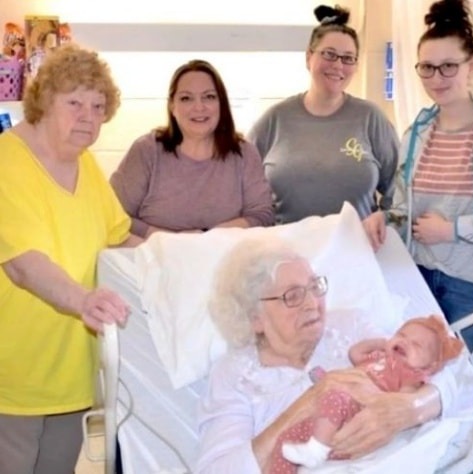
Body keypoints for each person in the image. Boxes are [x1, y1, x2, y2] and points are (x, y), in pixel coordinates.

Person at [196, 238, 460, 474]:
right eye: (293, 296)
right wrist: (309, 402)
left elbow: (443, 372)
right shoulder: (233, 374)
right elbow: (216, 469)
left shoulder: (351, 325)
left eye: (314, 287)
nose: (312, 303)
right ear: (255, 318)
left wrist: (410, 409)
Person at [0, 44, 142, 474]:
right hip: (13, 380)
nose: (89, 116)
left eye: (99, 106)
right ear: (44, 101)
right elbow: (22, 264)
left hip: (73, 379)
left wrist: (180, 256)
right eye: (75, 102)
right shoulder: (8, 161)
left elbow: (119, 239)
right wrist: (84, 301)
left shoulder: (87, 166)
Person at [363, 0, 473, 376]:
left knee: (463, 382)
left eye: (448, 66)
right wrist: (383, 216)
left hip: (471, 283)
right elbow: (404, 206)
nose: (437, 78)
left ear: (472, 66)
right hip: (417, 273)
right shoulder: (417, 131)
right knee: (414, 378)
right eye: (427, 68)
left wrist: (451, 230)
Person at [247, 4, 399, 225]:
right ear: (309, 57)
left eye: (348, 58)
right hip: (287, 253)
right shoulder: (273, 120)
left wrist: (384, 222)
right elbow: (241, 191)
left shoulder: (371, 119)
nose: (338, 65)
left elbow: (400, 191)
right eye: (329, 54)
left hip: (357, 252)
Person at [110, 59, 274, 238]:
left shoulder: (244, 153)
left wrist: (207, 238)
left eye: (209, 97)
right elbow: (113, 213)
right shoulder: (146, 151)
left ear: (222, 104)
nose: (199, 107)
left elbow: (262, 216)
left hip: (228, 261)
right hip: (156, 260)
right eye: (186, 98)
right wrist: (169, 241)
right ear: (172, 106)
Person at [277, 315, 463, 472]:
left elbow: (397, 404)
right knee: (288, 438)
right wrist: (382, 343)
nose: (404, 342)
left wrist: (368, 393)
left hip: (358, 411)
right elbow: (355, 354)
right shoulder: (380, 357)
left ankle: (317, 449)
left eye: (416, 345)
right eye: (401, 335)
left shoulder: (411, 375)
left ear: (429, 365)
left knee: (335, 396)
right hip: (341, 402)